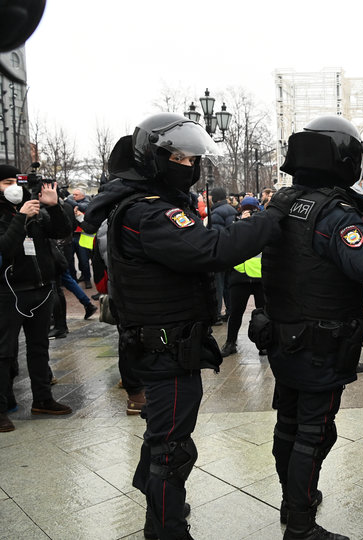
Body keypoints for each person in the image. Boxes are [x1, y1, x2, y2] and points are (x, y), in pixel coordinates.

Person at [81, 112, 298, 539]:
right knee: (171, 449)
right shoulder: (147, 212)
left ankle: (159, 509)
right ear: (154, 159)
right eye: (180, 158)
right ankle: (168, 527)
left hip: (163, 342)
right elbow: (210, 250)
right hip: (164, 346)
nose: (191, 165)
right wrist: (270, 220)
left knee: (161, 439)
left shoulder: (145, 204)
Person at [252, 115, 363, 540]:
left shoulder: (284, 202)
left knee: (288, 425)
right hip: (320, 344)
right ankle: (301, 527)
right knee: (312, 432)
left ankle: (293, 503)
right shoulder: (334, 214)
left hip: (285, 336)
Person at [0, 164, 74, 433]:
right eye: (6, 182)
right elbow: (6, 247)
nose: (13, 188)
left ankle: (43, 399)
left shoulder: (35, 211)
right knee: (5, 352)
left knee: (39, 347)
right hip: (9, 292)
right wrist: (20, 217)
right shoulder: (12, 215)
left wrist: (53, 207)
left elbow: (61, 232)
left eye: (15, 181)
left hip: (40, 289)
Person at [220, 197, 266, 358]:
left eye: (251, 209)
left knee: (263, 313)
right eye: (245, 209)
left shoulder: (263, 224)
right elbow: (228, 241)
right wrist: (242, 224)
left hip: (260, 276)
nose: (249, 212)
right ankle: (230, 342)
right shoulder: (234, 223)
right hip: (239, 276)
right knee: (235, 312)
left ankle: (264, 344)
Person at [208, 186, 236, 324]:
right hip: (231, 253)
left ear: (215, 197)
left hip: (220, 253)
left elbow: (215, 235)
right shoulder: (233, 210)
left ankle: (217, 314)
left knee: (218, 285)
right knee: (227, 285)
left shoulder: (216, 213)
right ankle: (230, 311)